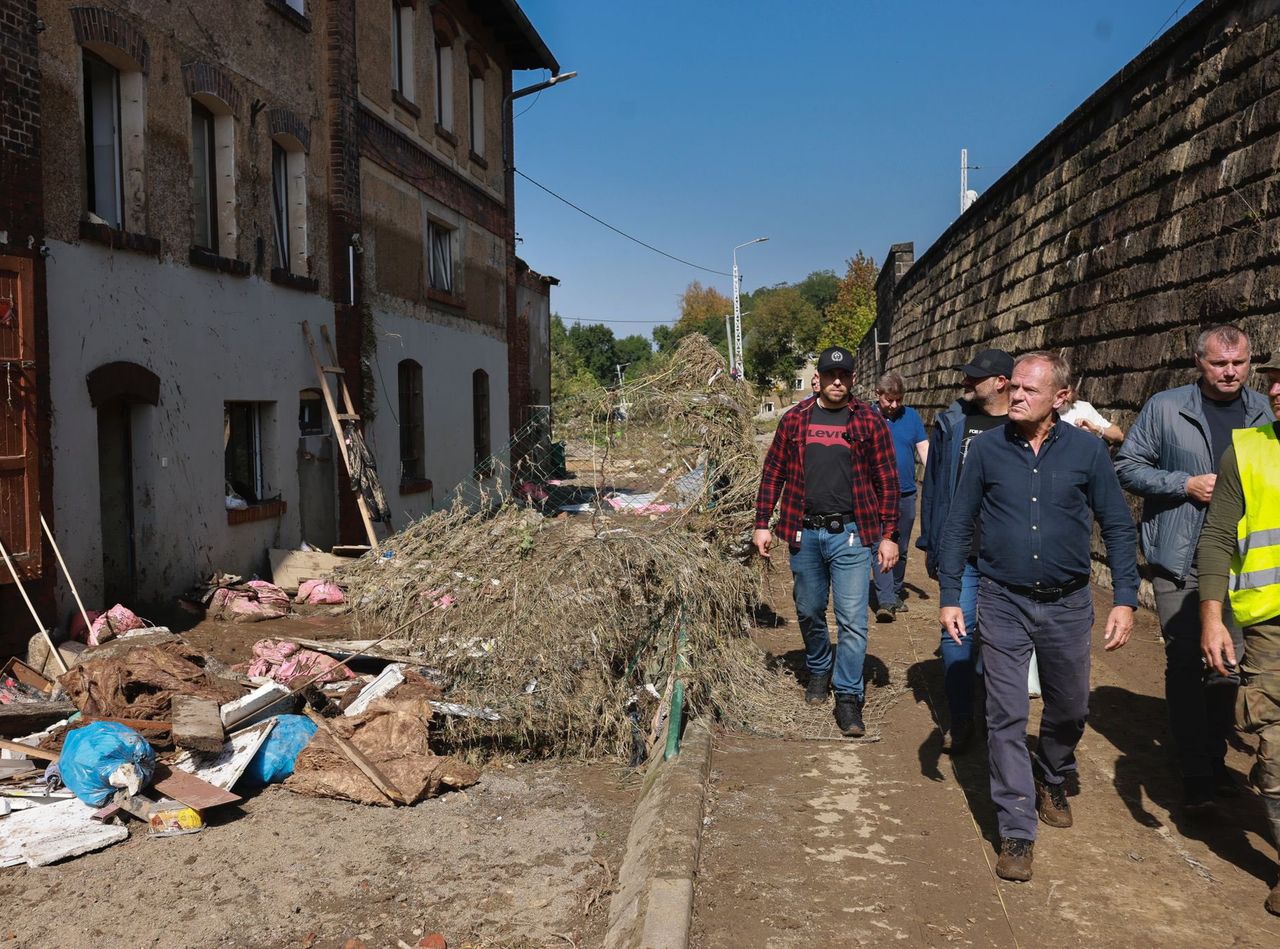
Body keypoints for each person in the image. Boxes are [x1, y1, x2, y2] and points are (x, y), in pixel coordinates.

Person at [938, 351, 1138, 883]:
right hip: (1002, 599)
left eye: (1028, 389)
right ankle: (1017, 831)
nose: (1015, 396)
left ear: (1061, 398)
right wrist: (952, 595)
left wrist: (1124, 597)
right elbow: (958, 524)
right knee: (1004, 713)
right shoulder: (985, 452)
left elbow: (1117, 525)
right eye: (1014, 388)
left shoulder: (1087, 452)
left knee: (1071, 707)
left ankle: (1053, 772)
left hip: (1069, 603)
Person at [1115, 323, 1272, 808]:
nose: (1230, 372)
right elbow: (1127, 465)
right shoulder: (1166, 407)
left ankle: (1212, 755)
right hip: (1179, 559)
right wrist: (1184, 484)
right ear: (1198, 363)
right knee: (1187, 661)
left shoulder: (1262, 410)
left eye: (1239, 363)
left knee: (1229, 667)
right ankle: (1194, 771)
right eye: (1219, 363)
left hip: (1241, 562)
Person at [753, 345, 901, 736]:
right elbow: (773, 473)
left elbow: (888, 480)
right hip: (804, 531)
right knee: (808, 609)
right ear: (819, 377)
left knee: (853, 619)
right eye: (831, 375)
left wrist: (889, 535)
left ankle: (849, 695)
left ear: (853, 378)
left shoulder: (869, 421)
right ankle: (819, 666)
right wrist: (762, 522)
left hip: (851, 533)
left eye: (845, 375)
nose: (838, 381)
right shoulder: (796, 419)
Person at [1199, 357, 1280, 916]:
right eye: (1276, 380)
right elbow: (1217, 536)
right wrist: (1210, 618)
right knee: (1275, 743)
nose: (1276, 389)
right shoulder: (1247, 451)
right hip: (1270, 628)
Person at [918, 348, 1013, 753]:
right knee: (957, 633)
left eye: (975, 377)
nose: (966, 382)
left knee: (1003, 641)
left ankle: (998, 717)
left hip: (1009, 555)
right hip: (963, 551)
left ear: (1001, 383)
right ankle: (961, 717)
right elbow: (935, 486)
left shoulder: (1026, 422)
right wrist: (932, 541)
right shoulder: (952, 421)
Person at [870, 371, 929, 622]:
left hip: (905, 493)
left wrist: (936, 481)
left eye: (898, 400)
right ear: (878, 395)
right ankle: (885, 600)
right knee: (881, 544)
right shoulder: (866, 417)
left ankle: (894, 591)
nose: (894, 406)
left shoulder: (911, 416)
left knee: (901, 546)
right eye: (889, 400)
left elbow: (924, 450)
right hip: (875, 493)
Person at [1059, 385, 1125, 446]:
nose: (1064, 397)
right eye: (1061, 392)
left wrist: (1096, 429)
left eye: (1067, 392)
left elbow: (1119, 435)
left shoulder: (1083, 407)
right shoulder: (1049, 413)